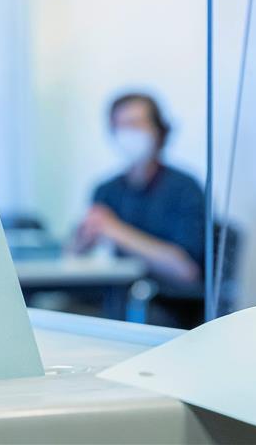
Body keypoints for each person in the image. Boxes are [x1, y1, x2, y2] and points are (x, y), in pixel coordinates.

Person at [71, 93, 206, 326]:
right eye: (120, 126)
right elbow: (72, 256)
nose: (128, 133)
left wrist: (116, 231)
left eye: (135, 124)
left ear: (159, 130)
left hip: (165, 304)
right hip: (119, 298)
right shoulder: (107, 189)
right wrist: (84, 238)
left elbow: (186, 271)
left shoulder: (184, 187)